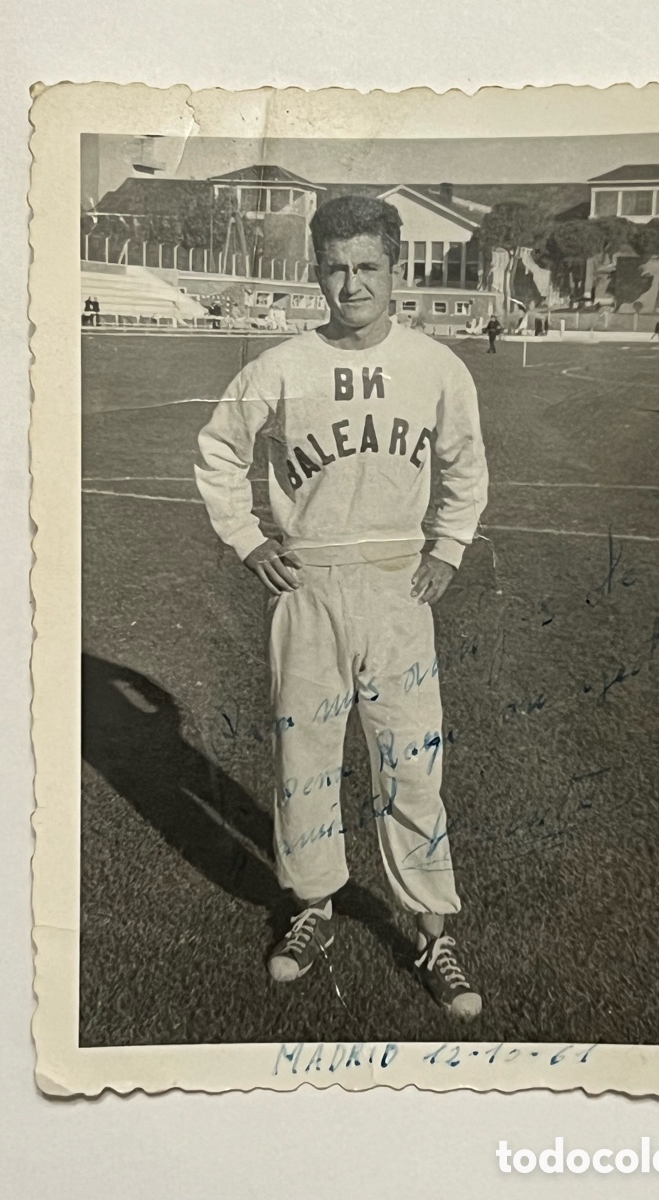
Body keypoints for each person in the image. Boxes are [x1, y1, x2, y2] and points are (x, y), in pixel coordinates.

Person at [195, 195, 488, 1020]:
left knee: (411, 762)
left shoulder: (436, 367)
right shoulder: (282, 366)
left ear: (396, 268)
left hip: (399, 589)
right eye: (335, 267)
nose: (351, 283)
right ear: (316, 271)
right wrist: (250, 540)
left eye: (367, 266)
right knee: (307, 759)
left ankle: (434, 930)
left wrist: (448, 548)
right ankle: (313, 908)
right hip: (311, 588)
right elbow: (220, 452)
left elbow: (466, 468)